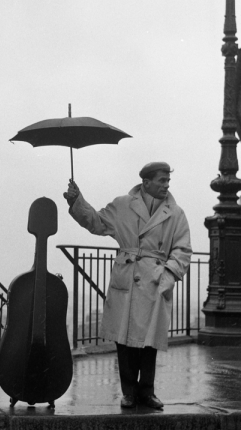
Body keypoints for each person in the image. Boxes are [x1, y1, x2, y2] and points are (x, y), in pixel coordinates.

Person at [63, 162, 191, 409]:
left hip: (155, 280)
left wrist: (168, 274)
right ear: (146, 182)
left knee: (149, 341)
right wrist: (76, 201)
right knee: (124, 340)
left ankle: (148, 391)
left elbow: (183, 249)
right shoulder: (122, 205)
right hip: (127, 277)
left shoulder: (176, 213)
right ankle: (129, 392)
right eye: (162, 180)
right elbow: (97, 222)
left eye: (168, 181)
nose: (166, 185)